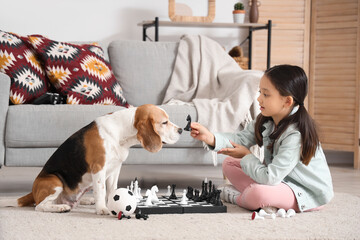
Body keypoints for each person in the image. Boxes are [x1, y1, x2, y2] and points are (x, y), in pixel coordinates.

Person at [190, 64, 333, 212]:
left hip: (304, 192)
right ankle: (263, 199)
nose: (258, 99)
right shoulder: (267, 119)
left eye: (266, 94)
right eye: (260, 92)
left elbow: (270, 178)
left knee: (258, 194)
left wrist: (247, 156)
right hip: (279, 181)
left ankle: (240, 197)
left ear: (287, 101)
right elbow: (239, 140)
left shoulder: (296, 134)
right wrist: (210, 137)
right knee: (229, 164)